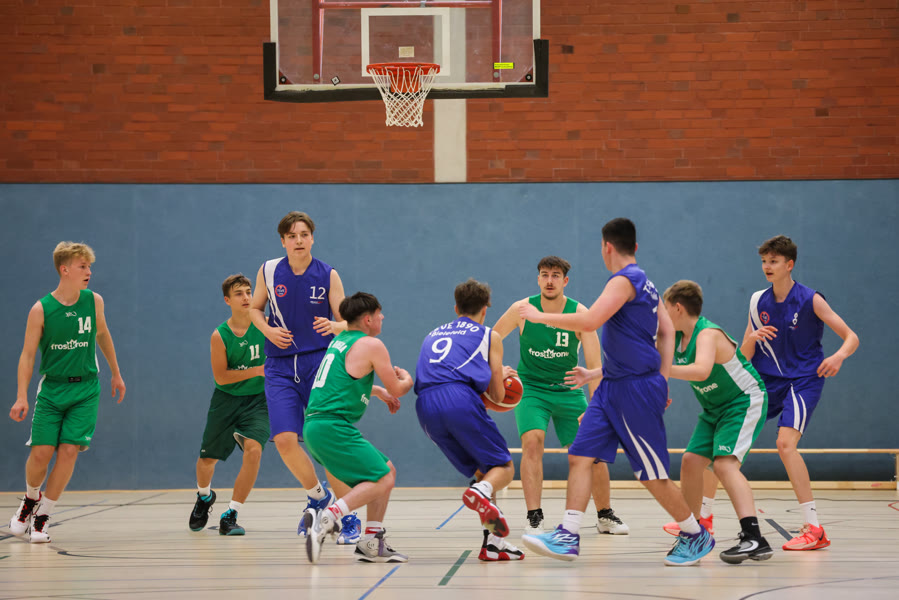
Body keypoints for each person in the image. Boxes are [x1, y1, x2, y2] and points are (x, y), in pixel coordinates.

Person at [519, 218, 715, 566]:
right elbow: (666, 332)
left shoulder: (625, 281)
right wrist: (661, 377)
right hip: (612, 385)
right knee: (581, 455)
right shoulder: (647, 284)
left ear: (606, 246)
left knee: (651, 474)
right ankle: (568, 533)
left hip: (634, 389)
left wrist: (538, 316)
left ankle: (694, 533)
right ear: (634, 247)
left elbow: (590, 321)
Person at [493, 256, 629, 536]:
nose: (550, 280)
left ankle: (604, 514)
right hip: (532, 389)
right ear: (538, 279)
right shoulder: (521, 309)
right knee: (532, 442)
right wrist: (496, 370)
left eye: (555, 275)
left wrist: (595, 408)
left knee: (592, 452)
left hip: (569, 390)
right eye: (544, 274)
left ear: (565, 281)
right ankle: (534, 516)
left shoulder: (580, 313)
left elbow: (594, 364)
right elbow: (491, 339)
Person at [249, 211, 361, 543]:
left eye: (304, 234)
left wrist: (334, 325)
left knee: (325, 442)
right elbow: (254, 308)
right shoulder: (269, 271)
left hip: (318, 364)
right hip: (279, 365)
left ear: (312, 238)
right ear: (283, 241)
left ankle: (349, 515)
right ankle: (317, 496)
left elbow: (348, 323)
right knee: (285, 440)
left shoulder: (328, 274)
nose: (298, 240)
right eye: (292, 235)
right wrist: (268, 330)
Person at [740, 235, 859, 551]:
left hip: (803, 380)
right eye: (764, 261)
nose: (767, 266)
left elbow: (851, 337)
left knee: (785, 444)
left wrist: (838, 356)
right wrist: (752, 338)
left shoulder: (811, 299)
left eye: (774, 261)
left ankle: (814, 528)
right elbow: (743, 355)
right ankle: (703, 518)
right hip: (768, 380)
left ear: (789, 264)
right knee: (730, 435)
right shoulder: (757, 301)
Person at [8, 242, 126, 543]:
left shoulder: (94, 301)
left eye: (89, 266)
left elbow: (103, 334)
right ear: (65, 269)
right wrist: (21, 395)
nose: (89, 272)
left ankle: (43, 516)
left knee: (70, 450)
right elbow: (27, 356)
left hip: (86, 387)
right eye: (82, 266)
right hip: (53, 388)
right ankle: (30, 499)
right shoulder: (41, 309)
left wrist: (116, 373)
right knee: (41, 453)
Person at [662, 280, 773, 563]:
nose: (662, 313)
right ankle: (693, 533)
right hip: (713, 409)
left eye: (665, 307)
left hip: (743, 401)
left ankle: (754, 538)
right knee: (690, 462)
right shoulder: (674, 337)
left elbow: (700, 371)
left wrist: (662, 370)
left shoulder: (708, 334)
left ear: (677, 308)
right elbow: (646, 365)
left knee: (724, 465)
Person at [415, 279, 526, 562]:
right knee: (504, 468)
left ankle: (493, 544)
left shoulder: (432, 334)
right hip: (458, 399)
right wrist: (499, 376)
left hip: (425, 406)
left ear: (456, 308)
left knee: (484, 470)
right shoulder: (489, 335)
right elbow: (498, 395)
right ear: (485, 309)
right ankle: (480, 492)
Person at [301, 292, 414, 564]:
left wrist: (376, 391)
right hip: (332, 426)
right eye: (379, 313)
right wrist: (408, 380)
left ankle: (371, 543)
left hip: (317, 425)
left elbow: (341, 381)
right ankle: (329, 517)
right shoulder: (372, 344)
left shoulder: (340, 341)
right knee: (384, 478)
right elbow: (398, 387)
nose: (382, 317)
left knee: (386, 470)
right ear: (368, 319)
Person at [188, 274, 269, 536]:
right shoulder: (220, 335)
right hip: (226, 400)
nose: (246, 297)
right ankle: (204, 496)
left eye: (248, 292)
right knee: (207, 460)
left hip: (258, 401)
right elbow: (221, 377)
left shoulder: (266, 325)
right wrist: (257, 370)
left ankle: (231, 513)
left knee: (254, 451)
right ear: (227, 300)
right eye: (238, 293)